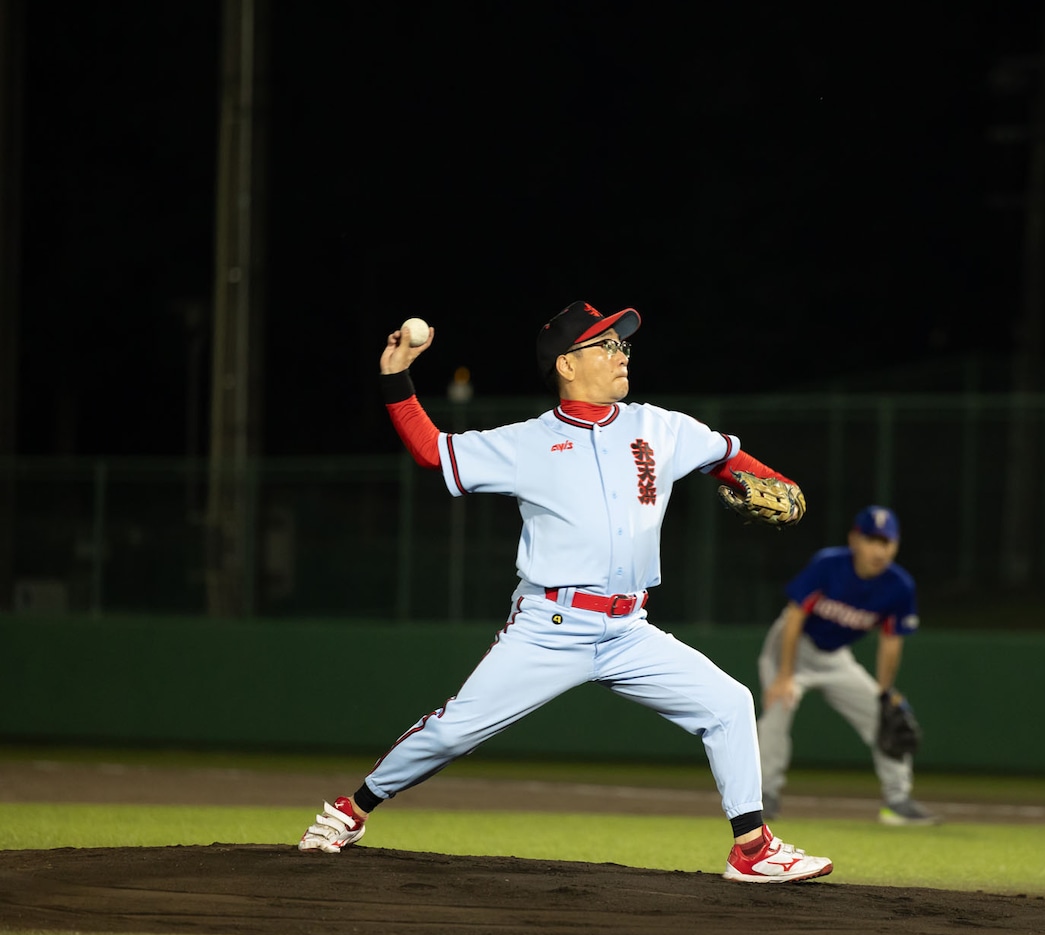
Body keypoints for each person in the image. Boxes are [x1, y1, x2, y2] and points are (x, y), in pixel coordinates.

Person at [297, 301, 833, 884]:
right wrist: (396, 378)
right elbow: (433, 450)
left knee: (728, 704)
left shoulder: (660, 427)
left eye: (622, 345)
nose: (621, 355)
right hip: (549, 626)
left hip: (628, 630)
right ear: (567, 365)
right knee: (454, 731)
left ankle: (752, 850)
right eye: (606, 345)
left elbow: (730, 459)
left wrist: (774, 483)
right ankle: (351, 811)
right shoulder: (527, 443)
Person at [757, 505, 938, 826]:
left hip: (835, 658)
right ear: (855, 540)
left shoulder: (899, 586)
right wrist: (784, 675)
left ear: (896, 546)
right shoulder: (829, 564)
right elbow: (795, 617)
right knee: (777, 710)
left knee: (884, 716)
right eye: (871, 540)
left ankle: (897, 800)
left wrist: (884, 692)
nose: (879, 550)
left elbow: (891, 643)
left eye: (886, 542)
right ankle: (764, 795)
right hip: (791, 648)